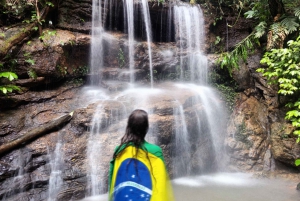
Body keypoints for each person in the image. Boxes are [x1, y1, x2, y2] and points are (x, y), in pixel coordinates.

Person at [108, 109, 174, 201]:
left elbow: (113, 181)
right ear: (146, 128)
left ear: (128, 127)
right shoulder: (155, 151)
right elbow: (161, 183)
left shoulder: (119, 150)